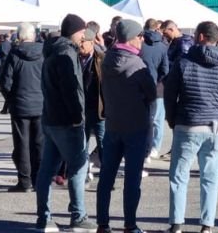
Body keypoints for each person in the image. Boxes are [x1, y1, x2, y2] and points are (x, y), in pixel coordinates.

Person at [164, 20, 218, 233]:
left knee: (179, 176)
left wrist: (172, 118)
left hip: (188, 122)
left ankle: (176, 224)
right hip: (215, 124)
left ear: (202, 36)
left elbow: (170, 94)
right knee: (211, 177)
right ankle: (207, 224)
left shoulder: (184, 63)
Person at [96, 19, 157, 233]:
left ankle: (102, 224)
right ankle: (130, 224)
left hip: (113, 125)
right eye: (140, 36)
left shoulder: (106, 60)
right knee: (132, 179)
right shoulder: (137, 65)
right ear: (131, 38)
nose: (142, 40)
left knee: (106, 177)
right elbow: (151, 94)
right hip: (135, 127)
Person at [36, 13, 94, 233]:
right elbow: (72, 89)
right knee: (78, 167)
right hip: (66, 121)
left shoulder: (51, 50)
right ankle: (79, 217)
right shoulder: (67, 54)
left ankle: (44, 218)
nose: (83, 37)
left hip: (50, 118)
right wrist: (77, 117)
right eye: (82, 32)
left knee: (47, 169)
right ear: (76, 32)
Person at [0, 22, 44, 193]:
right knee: (39, 143)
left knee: (22, 144)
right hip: (40, 104)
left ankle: (25, 181)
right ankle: (39, 178)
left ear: (19, 36)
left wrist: (10, 98)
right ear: (33, 35)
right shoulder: (43, 54)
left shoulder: (14, 54)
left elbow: (5, 81)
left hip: (20, 105)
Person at [139, 18, 169, 160]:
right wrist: (157, 79)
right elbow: (165, 69)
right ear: (157, 28)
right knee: (157, 121)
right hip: (158, 87)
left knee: (141, 119)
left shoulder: (140, 44)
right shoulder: (163, 46)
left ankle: (143, 147)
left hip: (139, 86)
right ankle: (154, 148)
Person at [80, 27, 106, 180]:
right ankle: (83, 174)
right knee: (82, 144)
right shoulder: (75, 57)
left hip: (99, 109)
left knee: (103, 144)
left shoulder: (101, 58)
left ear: (91, 42)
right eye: (80, 41)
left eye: (83, 42)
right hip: (81, 110)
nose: (80, 45)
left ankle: (106, 176)